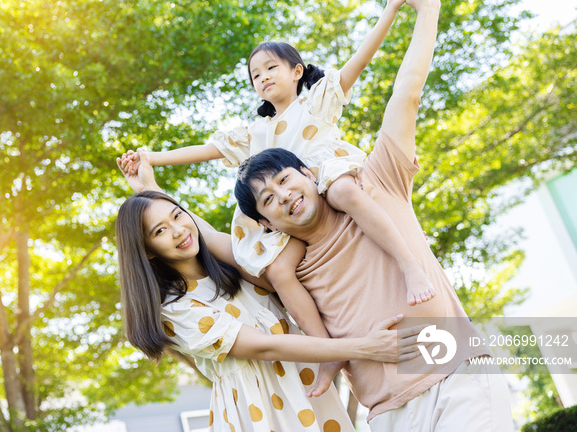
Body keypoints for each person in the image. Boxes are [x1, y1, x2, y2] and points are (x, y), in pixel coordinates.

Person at [233, 0, 515, 432]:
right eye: (269, 199)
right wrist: (147, 181)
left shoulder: (374, 183)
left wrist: (426, 11)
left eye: (286, 180)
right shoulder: (287, 266)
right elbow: (190, 243)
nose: (284, 196)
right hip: (385, 414)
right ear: (265, 222)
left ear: (308, 174)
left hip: (454, 380)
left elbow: (407, 93)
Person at [121, 0, 436, 359]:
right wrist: (153, 158)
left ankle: (409, 265)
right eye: (256, 75)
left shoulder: (317, 101)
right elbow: (208, 149)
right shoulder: (255, 132)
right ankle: (327, 351)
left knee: (344, 192)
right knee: (280, 272)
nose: (264, 76)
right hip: (284, 211)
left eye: (272, 67)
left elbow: (361, 58)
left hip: (323, 179)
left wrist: (391, 10)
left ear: (297, 71)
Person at [115, 155, 423, 432]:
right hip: (258, 410)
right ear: (148, 251)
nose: (178, 230)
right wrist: (364, 348)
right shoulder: (176, 309)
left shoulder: (231, 268)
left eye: (178, 216)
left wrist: (149, 187)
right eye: (159, 231)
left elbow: (205, 232)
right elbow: (265, 347)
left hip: (302, 389)